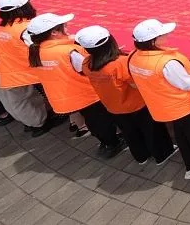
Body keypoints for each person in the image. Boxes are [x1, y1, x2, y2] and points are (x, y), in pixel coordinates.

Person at [128, 19, 190, 179]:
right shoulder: (166, 62)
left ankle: (189, 164)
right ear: (153, 40)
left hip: (163, 106)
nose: (166, 34)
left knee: (181, 134)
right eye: (161, 34)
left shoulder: (133, 56)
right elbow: (187, 84)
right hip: (186, 106)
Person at [26, 12, 124, 156]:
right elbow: (85, 69)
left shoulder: (36, 50)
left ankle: (106, 142)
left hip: (64, 96)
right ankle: (111, 143)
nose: (67, 28)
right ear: (54, 32)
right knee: (99, 121)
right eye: (63, 27)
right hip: (86, 95)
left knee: (93, 121)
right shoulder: (68, 51)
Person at [77, 25, 177, 165]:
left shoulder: (87, 63)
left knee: (130, 134)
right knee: (152, 131)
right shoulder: (119, 63)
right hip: (136, 105)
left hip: (113, 107)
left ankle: (141, 157)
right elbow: (135, 84)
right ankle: (162, 154)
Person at [0, 0, 53, 136]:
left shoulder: (2, 29)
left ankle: (33, 121)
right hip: (19, 72)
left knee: (18, 100)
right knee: (21, 101)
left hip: (8, 72)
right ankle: (38, 123)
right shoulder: (25, 28)